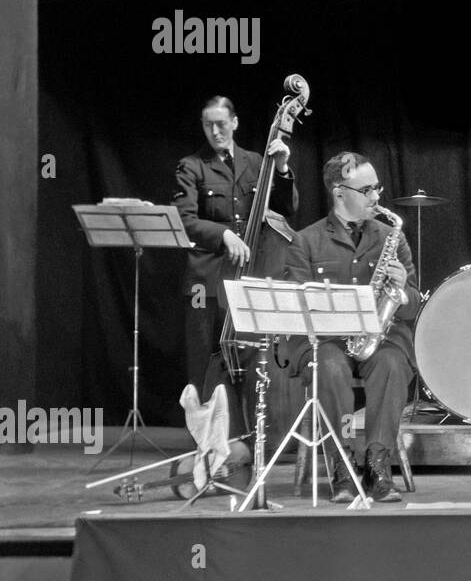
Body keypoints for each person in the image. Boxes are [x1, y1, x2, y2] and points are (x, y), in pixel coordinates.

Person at [283, 152, 419, 504]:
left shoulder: (392, 236)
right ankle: (341, 463)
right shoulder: (306, 241)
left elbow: (416, 304)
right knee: (329, 367)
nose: (376, 197)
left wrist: (403, 289)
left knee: (392, 364)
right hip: (324, 340)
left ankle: (377, 465)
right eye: (367, 189)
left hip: (381, 338)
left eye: (377, 187)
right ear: (338, 191)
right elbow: (295, 308)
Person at [173, 95, 297, 397]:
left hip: (251, 275)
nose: (215, 132)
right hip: (207, 279)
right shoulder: (191, 167)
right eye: (208, 125)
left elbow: (287, 208)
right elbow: (183, 219)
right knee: (204, 360)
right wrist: (223, 235)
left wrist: (281, 168)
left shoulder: (258, 162)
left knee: (250, 357)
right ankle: (203, 434)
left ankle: (247, 431)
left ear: (235, 123)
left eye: (221, 124)